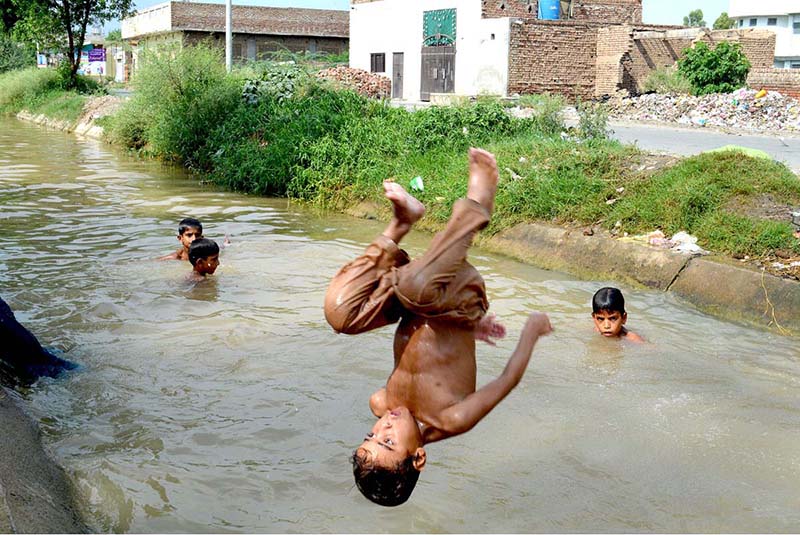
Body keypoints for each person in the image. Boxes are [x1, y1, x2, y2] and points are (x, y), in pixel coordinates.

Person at [324, 148, 553, 507]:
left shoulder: (383, 404)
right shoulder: (454, 417)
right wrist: (531, 332)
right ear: (419, 458)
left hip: (414, 297)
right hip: (453, 301)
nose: (382, 426)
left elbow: (427, 354)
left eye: (370, 434)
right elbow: (506, 380)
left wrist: (471, 336)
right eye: (387, 441)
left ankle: (401, 224)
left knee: (339, 314)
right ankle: (478, 203)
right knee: (418, 288)